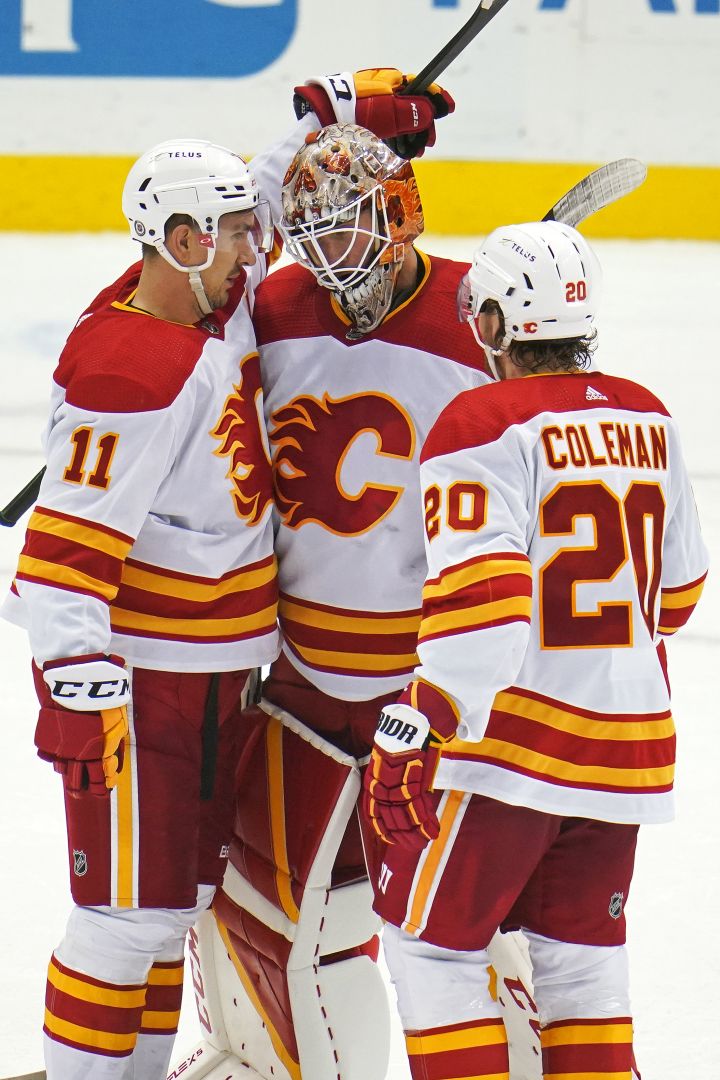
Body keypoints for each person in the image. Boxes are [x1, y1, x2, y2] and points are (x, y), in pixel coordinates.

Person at [2, 74, 456, 1080]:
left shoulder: (217, 300)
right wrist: (75, 687)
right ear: (183, 242)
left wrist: (332, 118)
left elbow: (258, 195)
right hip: (141, 682)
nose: (264, 251)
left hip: (218, 676)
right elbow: (62, 554)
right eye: (242, 236)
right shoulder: (134, 364)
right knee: (122, 920)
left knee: (170, 910)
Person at [361, 220, 709, 1080]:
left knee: (432, 952)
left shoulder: (477, 421)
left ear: (493, 323)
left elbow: (486, 606)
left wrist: (421, 719)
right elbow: (680, 594)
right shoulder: (648, 414)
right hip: (627, 747)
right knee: (583, 972)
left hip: (510, 745)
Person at [198, 105, 501, 1076]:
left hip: (438, 689)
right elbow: (195, 258)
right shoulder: (272, 307)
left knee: (478, 930)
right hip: (302, 680)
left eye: (351, 227)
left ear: (401, 214)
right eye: (314, 234)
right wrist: (325, 104)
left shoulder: (475, 317)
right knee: (273, 913)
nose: (333, 257)